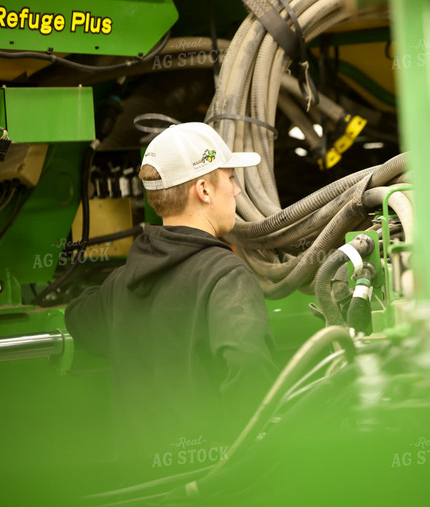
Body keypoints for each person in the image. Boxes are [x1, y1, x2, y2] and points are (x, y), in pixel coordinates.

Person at [64, 122, 278, 484]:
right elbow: (250, 373)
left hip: (142, 486)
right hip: (210, 484)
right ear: (204, 190)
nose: (238, 190)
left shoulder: (122, 283)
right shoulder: (225, 276)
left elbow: (77, 319)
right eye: (229, 178)